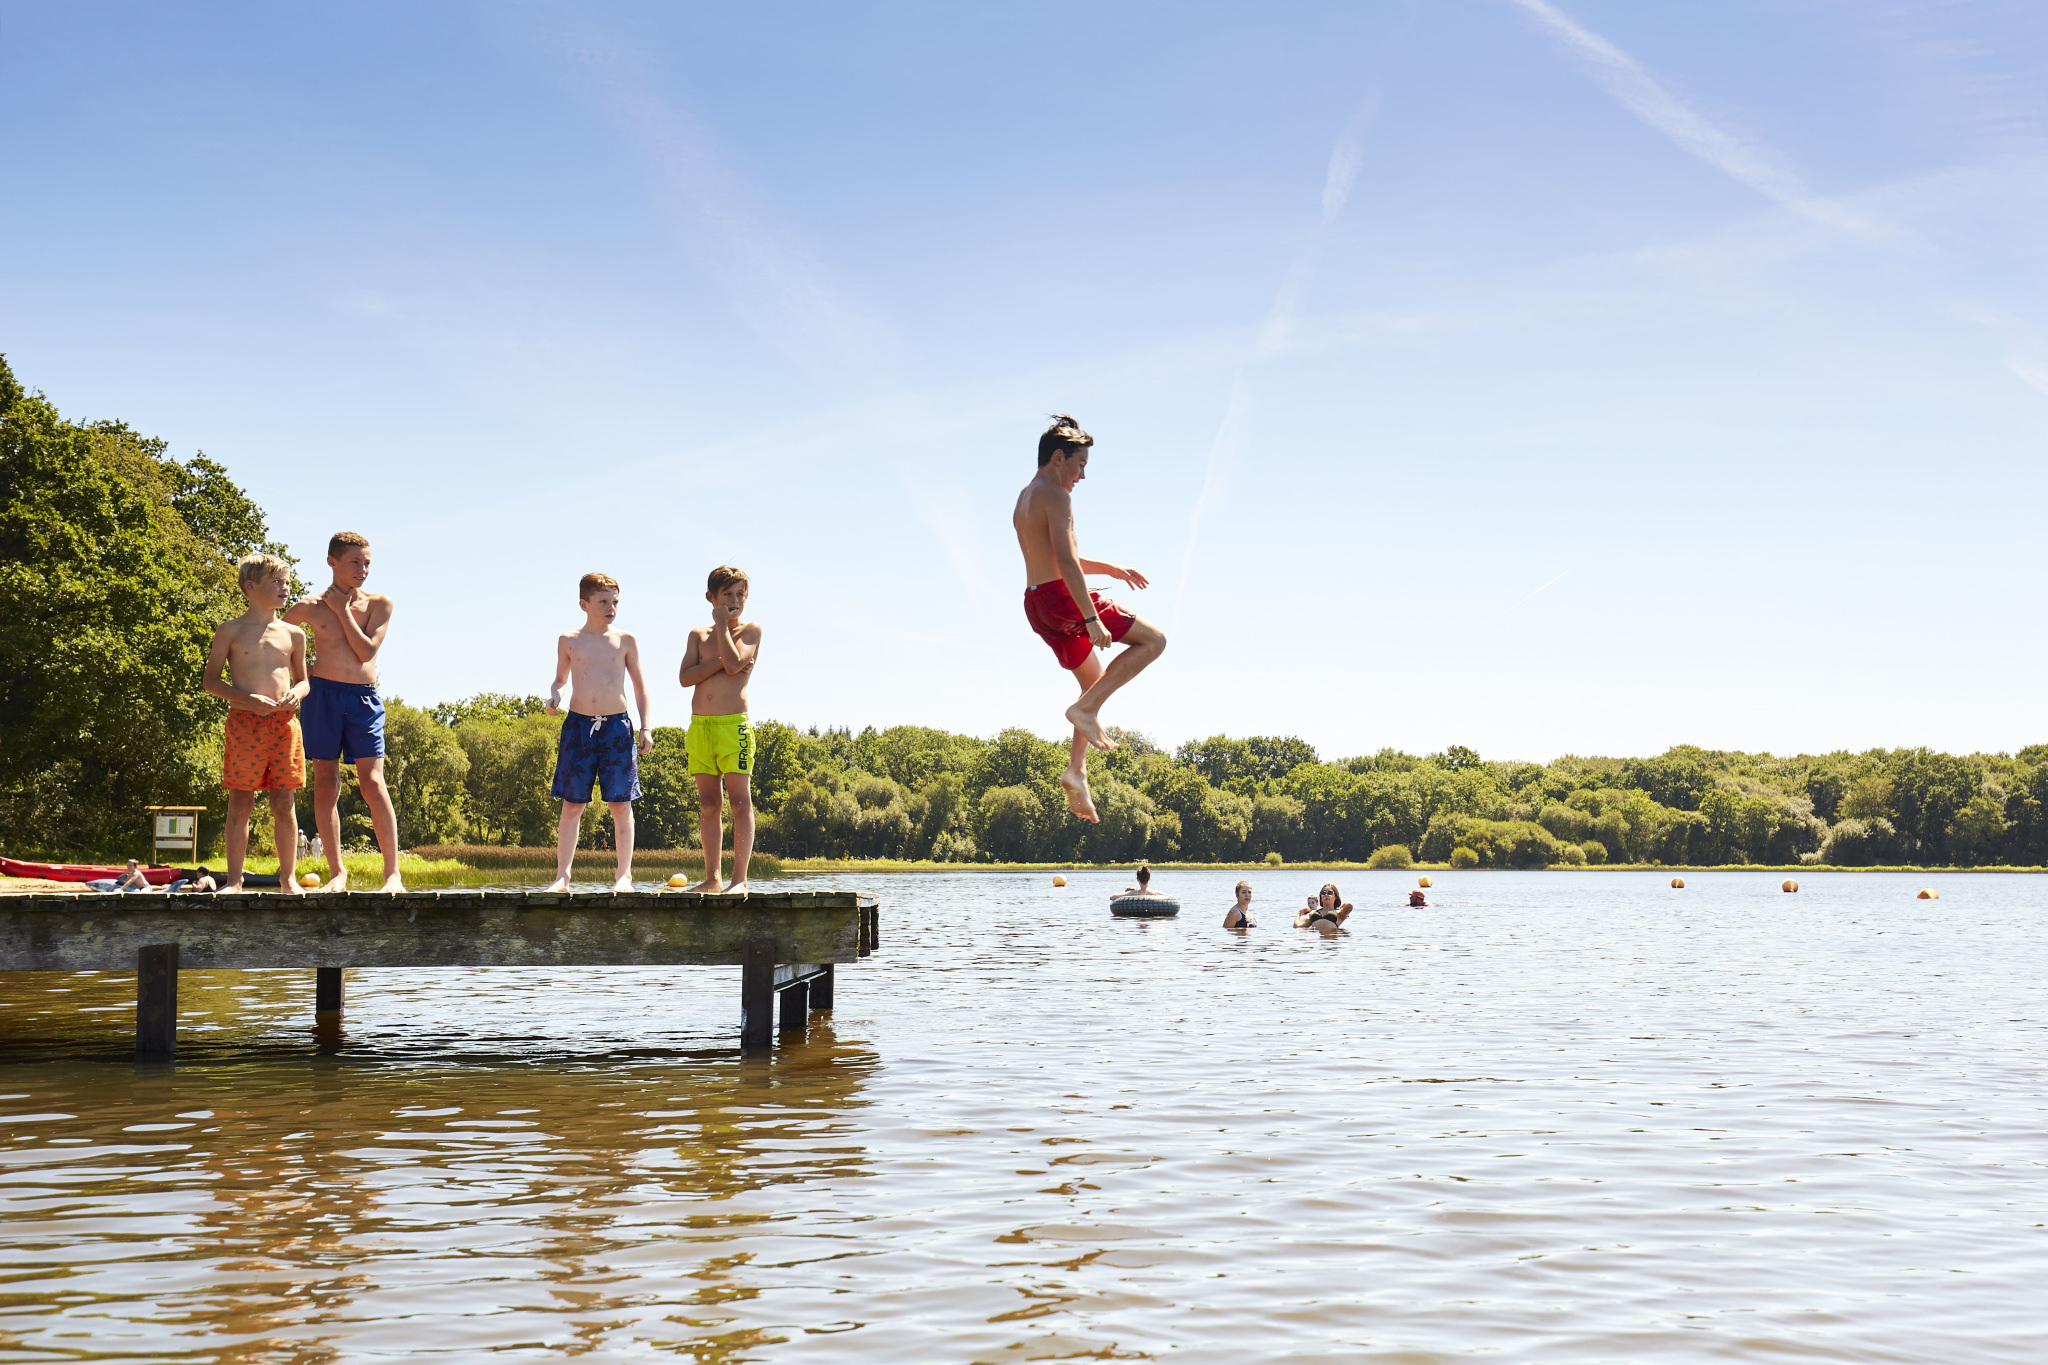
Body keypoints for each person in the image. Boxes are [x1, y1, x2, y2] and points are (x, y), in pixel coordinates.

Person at [1011, 415, 1167, 823]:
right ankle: (1085, 712)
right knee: (1154, 641)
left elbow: (1058, 559)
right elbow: (1065, 563)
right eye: (1079, 465)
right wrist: (1091, 618)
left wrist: (1112, 570)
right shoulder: (1058, 497)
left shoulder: (1026, 497)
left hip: (1037, 602)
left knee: (1091, 684)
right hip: (1063, 600)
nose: (1082, 475)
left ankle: (1076, 771)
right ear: (1058, 457)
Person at [285, 531, 402, 892]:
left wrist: (341, 611)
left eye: (367, 563)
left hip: (363, 698)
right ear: (332, 562)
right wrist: (298, 682)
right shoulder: (307, 606)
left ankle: (392, 874)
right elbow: (275, 642)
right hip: (322, 697)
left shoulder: (379, 603)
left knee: (373, 782)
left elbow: (365, 651)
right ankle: (338, 872)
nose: (363, 569)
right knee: (325, 784)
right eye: (355, 562)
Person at [202, 552, 309, 894]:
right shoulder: (229, 630)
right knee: (241, 802)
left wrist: (298, 692)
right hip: (244, 723)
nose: (285, 588)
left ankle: (288, 879)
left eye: (288, 582)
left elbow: (305, 681)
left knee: (283, 802)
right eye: (276, 582)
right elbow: (210, 681)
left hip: (284, 725)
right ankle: (234, 881)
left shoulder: (294, 634)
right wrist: (247, 699)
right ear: (250, 586)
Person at [544, 572, 654, 892]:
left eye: (615, 602)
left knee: (621, 805)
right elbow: (560, 680)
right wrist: (555, 696)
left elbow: (640, 687)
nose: (611, 607)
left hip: (616, 728)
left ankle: (624, 876)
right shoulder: (569, 640)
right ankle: (562, 876)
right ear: (584, 604)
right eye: (603, 601)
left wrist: (645, 726)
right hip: (578, 727)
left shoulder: (625, 640)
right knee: (572, 804)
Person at [677, 565, 761, 894]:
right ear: (711, 598)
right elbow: (685, 678)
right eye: (727, 594)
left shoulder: (751, 631)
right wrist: (717, 664)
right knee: (709, 804)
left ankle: (739, 880)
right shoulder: (698, 635)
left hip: (732, 727)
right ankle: (712, 878)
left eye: (741, 594)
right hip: (701, 728)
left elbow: (736, 662)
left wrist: (724, 626)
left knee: (740, 803)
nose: (735, 599)